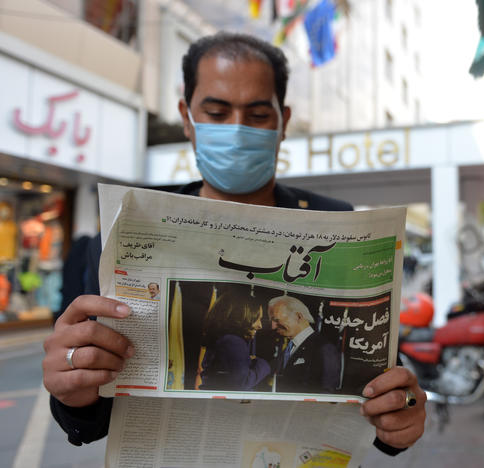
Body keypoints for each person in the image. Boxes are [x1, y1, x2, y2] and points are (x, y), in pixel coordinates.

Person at [42, 32, 425, 455]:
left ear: (283, 122)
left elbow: (381, 391)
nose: (238, 130)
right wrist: (71, 391)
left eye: (258, 114)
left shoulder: (337, 225)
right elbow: (91, 418)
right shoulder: (124, 233)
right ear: (187, 118)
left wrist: (401, 412)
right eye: (218, 111)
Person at [268, 295, 339, 393]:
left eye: (276, 320)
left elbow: (326, 393)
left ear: (298, 316)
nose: (273, 327)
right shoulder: (288, 347)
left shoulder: (324, 349)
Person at [198, 294, 270, 391]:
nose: (260, 325)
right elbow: (244, 382)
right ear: (240, 317)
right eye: (256, 319)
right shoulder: (232, 341)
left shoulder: (223, 339)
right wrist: (262, 364)